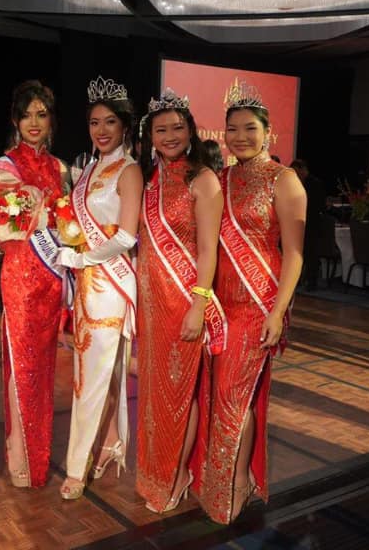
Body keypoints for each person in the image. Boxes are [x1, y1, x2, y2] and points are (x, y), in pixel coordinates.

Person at [190, 79, 305, 523]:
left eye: (250, 128)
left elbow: (294, 253)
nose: (240, 137)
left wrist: (278, 310)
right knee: (221, 395)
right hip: (220, 304)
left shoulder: (284, 180)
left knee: (233, 396)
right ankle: (227, 478)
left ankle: (236, 480)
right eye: (232, 129)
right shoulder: (219, 178)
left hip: (258, 303)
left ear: (268, 132)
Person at [135, 90, 223, 513]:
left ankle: (176, 475)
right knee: (155, 397)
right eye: (161, 130)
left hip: (183, 301)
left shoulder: (202, 180)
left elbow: (208, 250)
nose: (169, 136)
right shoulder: (150, 178)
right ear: (150, 136)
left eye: (177, 128)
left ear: (190, 131)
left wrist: (198, 305)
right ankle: (155, 472)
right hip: (151, 305)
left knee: (180, 393)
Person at [57, 76, 142, 500]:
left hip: (110, 286)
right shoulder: (89, 168)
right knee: (92, 375)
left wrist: (80, 258)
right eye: (94, 122)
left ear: (125, 125)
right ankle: (108, 443)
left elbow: (126, 236)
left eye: (110, 121)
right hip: (86, 285)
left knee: (90, 378)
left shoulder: (129, 170)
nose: (102, 130)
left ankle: (76, 467)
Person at [0, 81, 68, 488]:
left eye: (41, 114)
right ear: (15, 120)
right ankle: (20, 454)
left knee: (45, 367)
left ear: (51, 119)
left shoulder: (60, 168)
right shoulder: (4, 165)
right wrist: (36, 211)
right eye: (26, 115)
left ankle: (40, 454)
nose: (33, 122)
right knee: (21, 365)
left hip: (51, 278)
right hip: (20, 275)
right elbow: (3, 225)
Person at [290, 159, 328, 290]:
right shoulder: (294, 183)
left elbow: (318, 205)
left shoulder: (315, 184)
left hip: (312, 224)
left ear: (303, 169)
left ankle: (311, 282)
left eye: (296, 172)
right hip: (297, 224)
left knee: (311, 254)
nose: (295, 175)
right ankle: (297, 280)